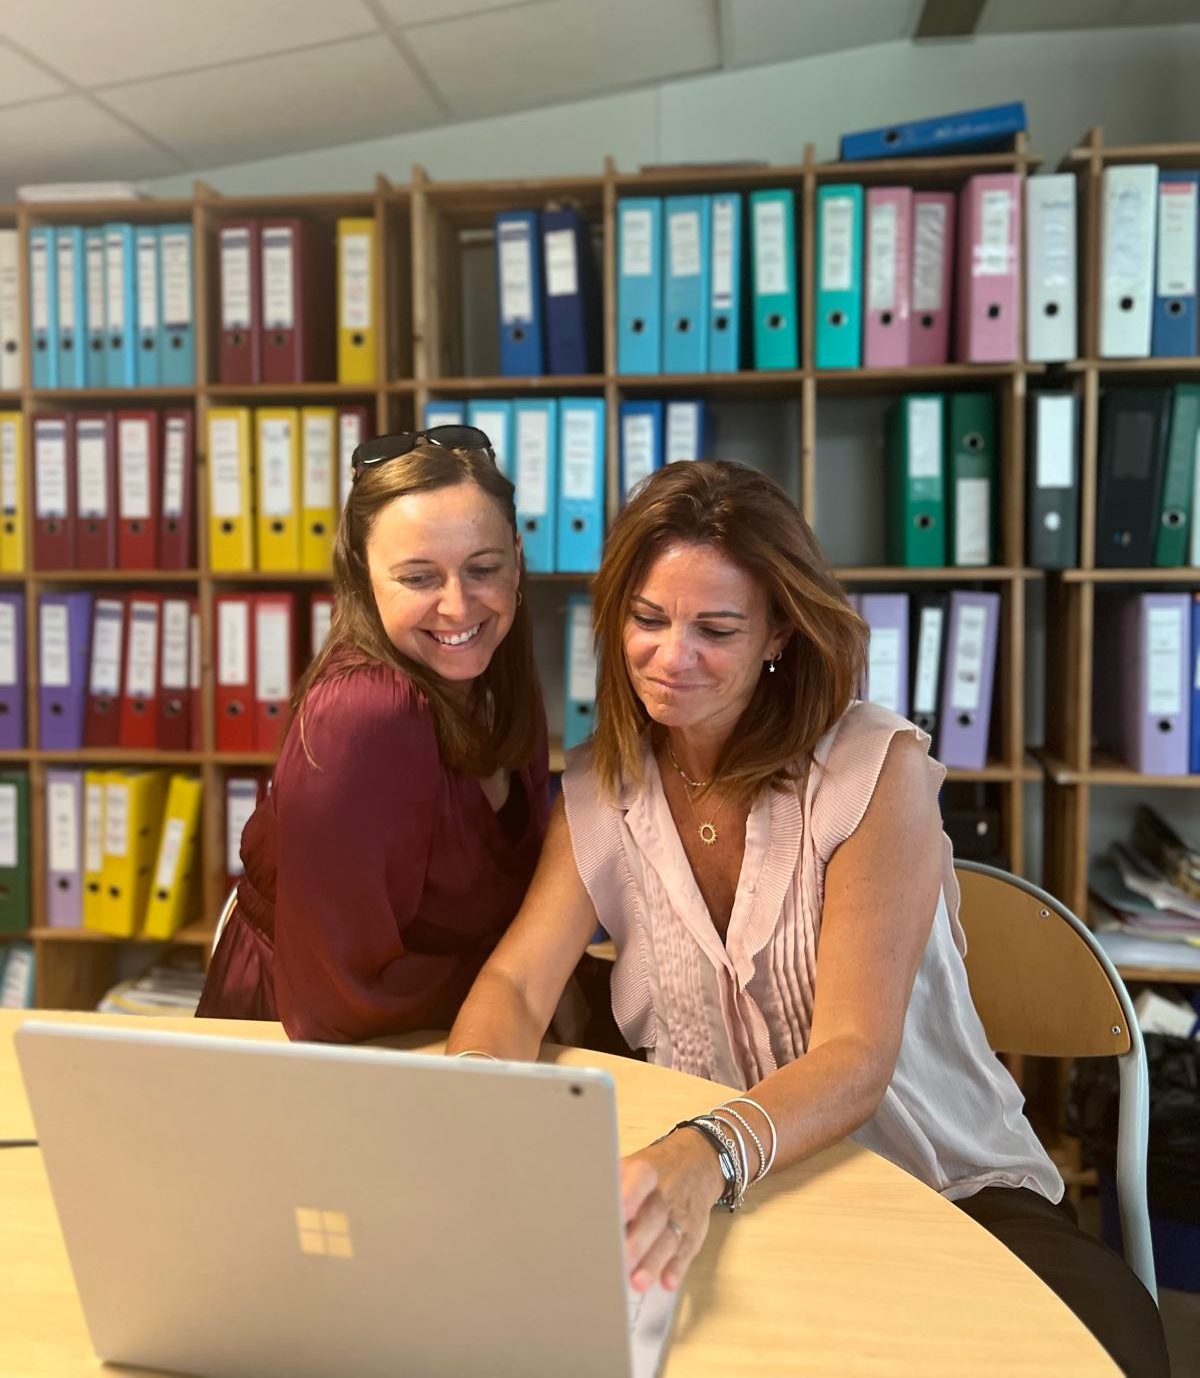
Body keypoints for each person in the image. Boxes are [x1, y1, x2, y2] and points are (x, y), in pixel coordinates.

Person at [447, 458, 1167, 1378]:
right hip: (742, 1208)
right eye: (648, 619)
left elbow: (855, 1057)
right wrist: (469, 1109)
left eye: (716, 629)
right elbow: (516, 984)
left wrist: (704, 1154)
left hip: (941, 1189)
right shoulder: (601, 784)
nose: (671, 657)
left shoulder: (871, 769)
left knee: (1101, 1350)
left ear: (779, 632)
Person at [198, 425, 549, 1043]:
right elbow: (339, 1005)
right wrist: (526, 985)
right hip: (303, 1054)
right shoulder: (364, 714)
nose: (458, 606)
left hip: (441, 1035)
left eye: (483, 568)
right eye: (419, 578)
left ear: (517, 559)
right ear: (363, 575)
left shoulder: (499, 670)